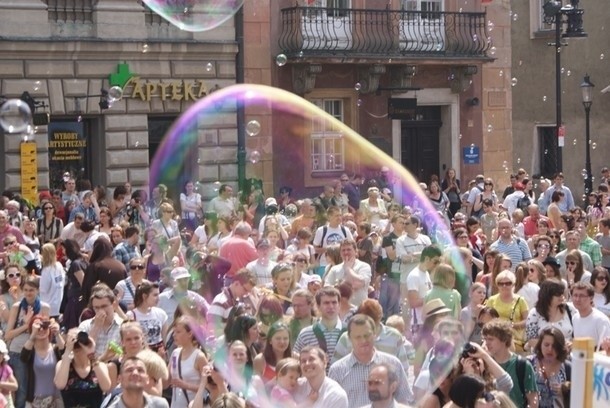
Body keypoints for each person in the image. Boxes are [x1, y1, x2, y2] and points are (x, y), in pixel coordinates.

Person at [328, 314, 413, 407]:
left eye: (367, 335)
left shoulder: (393, 364)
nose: (363, 340)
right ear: (349, 338)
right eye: (358, 337)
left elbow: (403, 399)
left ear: (375, 334)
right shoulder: (337, 370)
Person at [481, 319, 538, 408]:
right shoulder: (484, 363)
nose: (486, 343)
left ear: (504, 340)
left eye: (491, 339)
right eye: (485, 339)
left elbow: (533, 400)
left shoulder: (522, 364)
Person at [55, 328, 112, 407]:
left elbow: (106, 387)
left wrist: (91, 351)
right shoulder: (63, 364)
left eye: (79, 339)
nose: (76, 343)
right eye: (72, 339)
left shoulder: (99, 365)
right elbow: (60, 385)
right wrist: (68, 349)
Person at [293, 287, 344, 370]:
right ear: (318, 306)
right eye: (326, 303)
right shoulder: (306, 334)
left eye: (334, 302)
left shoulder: (350, 332)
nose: (331, 306)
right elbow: (295, 360)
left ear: (339, 305)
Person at [20, 315, 64, 408]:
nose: (41, 330)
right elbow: (23, 358)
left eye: (44, 326)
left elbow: (65, 354)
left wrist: (57, 333)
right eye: (37, 327)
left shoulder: (55, 349)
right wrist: (33, 334)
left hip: (56, 401)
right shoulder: (30, 351)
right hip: (35, 401)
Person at [525, 279, 575, 352]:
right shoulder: (534, 313)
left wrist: (572, 344)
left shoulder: (570, 309)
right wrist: (555, 347)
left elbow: (578, 334)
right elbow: (531, 340)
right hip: (543, 357)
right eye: (558, 294)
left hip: (567, 356)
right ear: (547, 295)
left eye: (562, 293)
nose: (562, 296)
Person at [168, 316, 208, 408]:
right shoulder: (175, 353)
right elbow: (166, 381)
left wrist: (186, 385)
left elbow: (207, 387)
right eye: (174, 332)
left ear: (190, 333)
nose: (174, 335)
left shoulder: (199, 356)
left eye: (178, 332)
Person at [485, 271, 528, 353]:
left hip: (515, 342)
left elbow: (527, 320)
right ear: (497, 285)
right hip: (495, 340)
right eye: (501, 283)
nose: (504, 286)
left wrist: (513, 325)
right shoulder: (491, 300)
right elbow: (486, 320)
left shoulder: (520, 300)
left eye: (508, 283)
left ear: (513, 284)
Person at [528, 327, 571, 408]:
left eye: (554, 346)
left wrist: (565, 390)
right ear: (540, 344)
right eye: (546, 345)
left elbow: (580, 392)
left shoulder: (567, 367)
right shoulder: (528, 363)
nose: (550, 349)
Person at [78, 285, 124, 360]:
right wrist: (96, 327)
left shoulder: (123, 326)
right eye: (96, 308)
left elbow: (124, 354)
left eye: (104, 306)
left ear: (113, 305)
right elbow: (82, 352)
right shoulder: (85, 325)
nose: (100, 311)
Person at [207, 268, 256, 337]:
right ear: (236, 283)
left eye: (248, 292)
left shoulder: (237, 302)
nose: (246, 294)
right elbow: (211, 332)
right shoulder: (220, 301)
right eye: (245, 290)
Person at [405, 245, 441, 337]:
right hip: (419, 322)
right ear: (427, 259)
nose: (437, 265)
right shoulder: (414, 276)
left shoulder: (426, 274)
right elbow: (413, 302)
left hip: (428, 320)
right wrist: (432, 296)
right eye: (435, 262)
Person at [324, 239, 372, 306]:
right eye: (343, 250)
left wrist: (348, 269)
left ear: (355, 251)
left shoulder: (364, 266)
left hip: (359, 309)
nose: (346, 252)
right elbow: (326, 288)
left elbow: (358, 284)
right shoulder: (334, 269)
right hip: (339, 309)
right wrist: (341, 286)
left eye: (349, 249)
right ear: (340, 253)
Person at [127, 280, 169, 354]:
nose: (158, 298)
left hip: (159, 355)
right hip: (141, 354)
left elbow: (165, 338)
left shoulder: (160, 313)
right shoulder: (131, 315)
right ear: (144, 296)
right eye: (155, 295)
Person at [571, 282, 610, 349]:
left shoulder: (601, 320)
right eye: (575, 295)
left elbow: (607, 348)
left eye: (582, 296)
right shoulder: (575, 318)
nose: (577, 299)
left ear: (591, 298)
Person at [39, 242, 65, 320]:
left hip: (47, 305)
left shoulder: (46, 270)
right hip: (58, 303)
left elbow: (44, 289)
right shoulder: (59, 265)